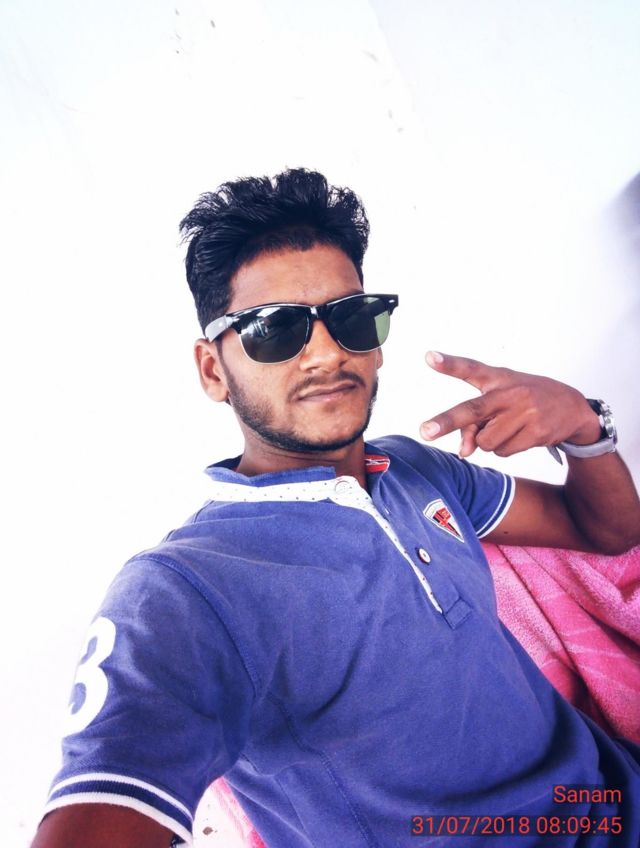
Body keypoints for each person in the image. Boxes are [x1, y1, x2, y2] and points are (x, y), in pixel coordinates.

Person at [33, 168, 640, 848]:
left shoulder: (416, 469)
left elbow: (608, 530)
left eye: (351, 317)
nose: (326, 353)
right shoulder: (187, 589)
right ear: (212, 370)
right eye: (273, 329)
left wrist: (584, 428)